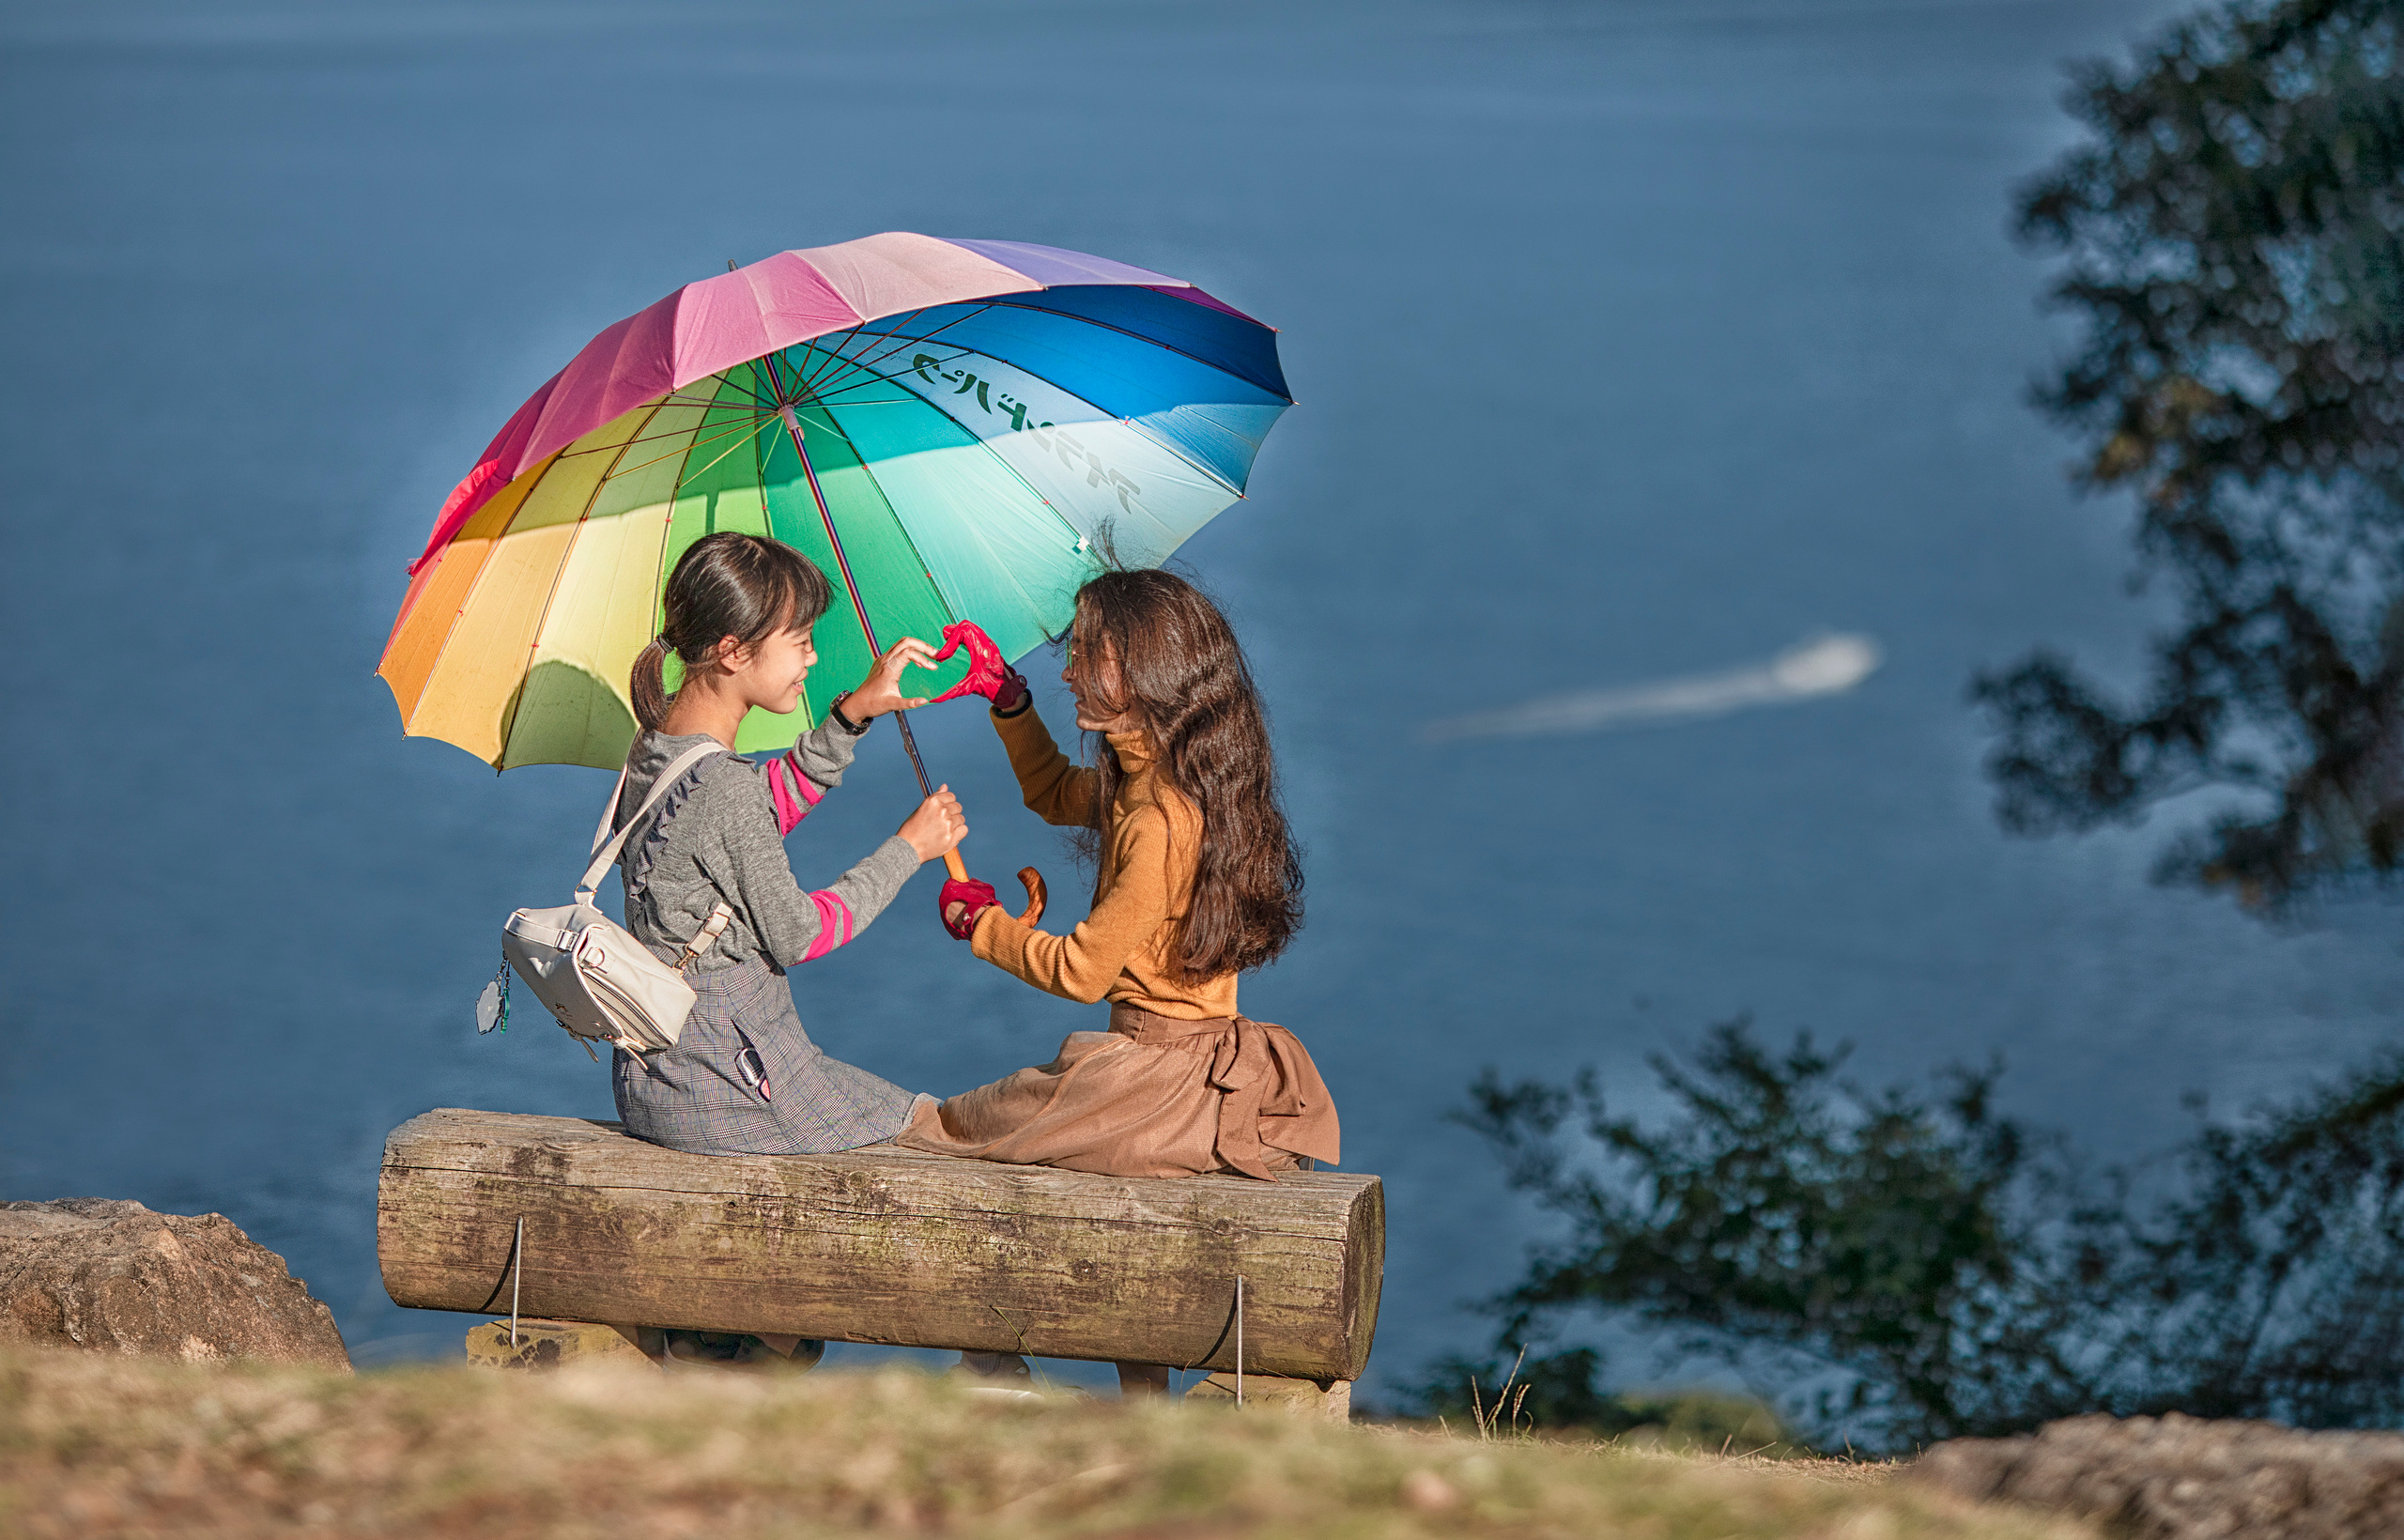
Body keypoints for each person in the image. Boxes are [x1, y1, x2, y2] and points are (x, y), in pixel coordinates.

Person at [896, 568, 1338, 1396]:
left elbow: (1082, 968)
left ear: (1138, 674)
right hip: (1200, 1071)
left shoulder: (1157, 817)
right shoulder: (1168, 780)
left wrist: (980, 929)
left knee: (957, 1133)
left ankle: (992, 1362)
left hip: (1152, 1077)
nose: (1067, 669)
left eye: (1084, 654)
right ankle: (1139, 1401)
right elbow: (1058, 793)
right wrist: (1008, 699)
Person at [609, 531, 963, 1159]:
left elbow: (746, 824)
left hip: (659, 1075)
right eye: (800, 643)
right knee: (937, 1131)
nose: (813, 660)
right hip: (731, 1085)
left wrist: (852, 716)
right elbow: (796, 934)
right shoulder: (724, 785)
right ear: (733, 652)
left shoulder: (656, 745)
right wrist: (909, 848)